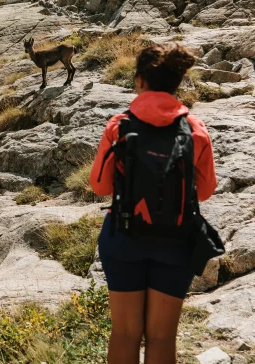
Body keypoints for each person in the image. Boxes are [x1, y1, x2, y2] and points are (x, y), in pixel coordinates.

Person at [89, 45, 217, 364]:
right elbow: (205, 191)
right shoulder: (194, 128)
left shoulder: (119, 125)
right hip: (176, 239)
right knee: (161, 337)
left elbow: (100, 185)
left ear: (140, 81)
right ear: (176, 84)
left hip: (124, 235)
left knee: (125, 333)